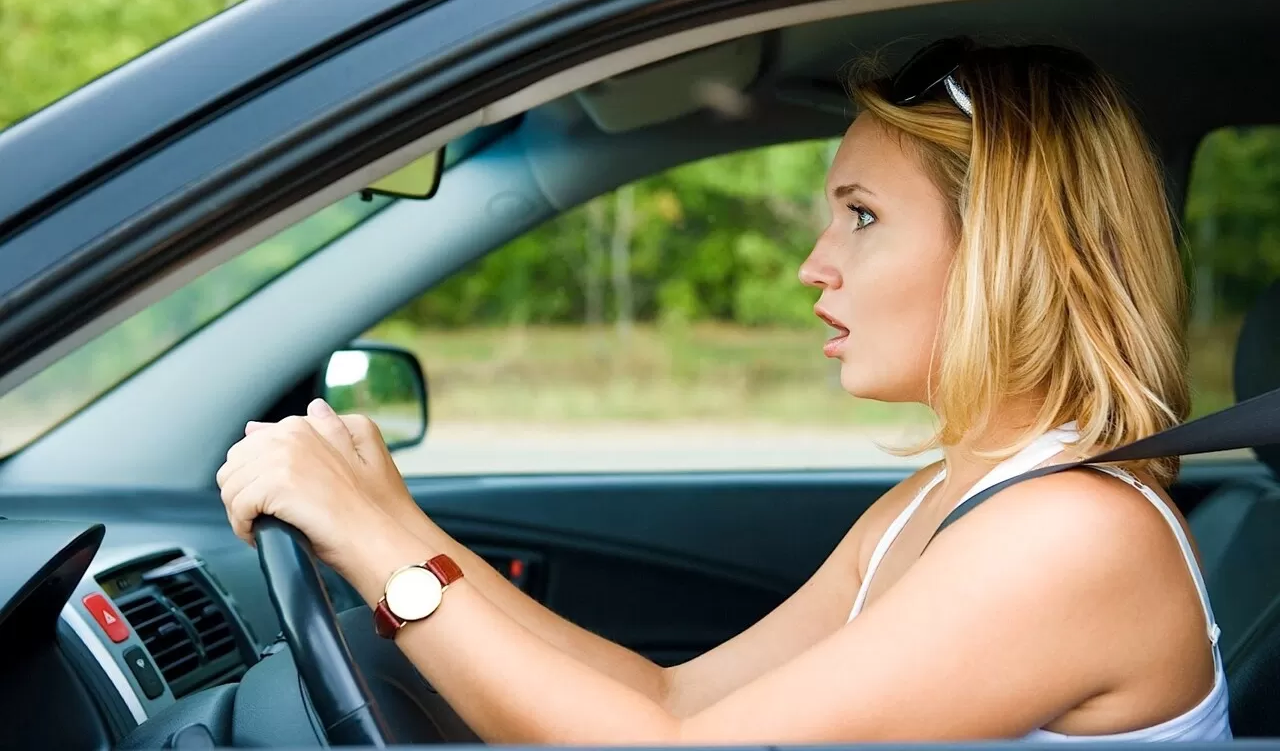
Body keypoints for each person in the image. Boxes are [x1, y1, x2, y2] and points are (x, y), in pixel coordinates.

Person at [217, 38, 1231, 742]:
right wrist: (399, 529)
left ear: (1004, 251)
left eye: (862, 216)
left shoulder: (1072, 533)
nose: (813, 264)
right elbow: (675, 698)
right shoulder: (947, 498)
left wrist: (379, 549)